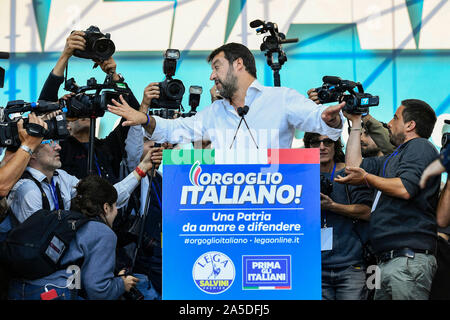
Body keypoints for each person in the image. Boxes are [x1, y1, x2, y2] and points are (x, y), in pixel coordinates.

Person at [107, 43, 346, 149]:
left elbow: (321, 120)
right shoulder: (214, 113)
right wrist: (145, 119)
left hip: (275, 215)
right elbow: (174, 129)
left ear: (238, 64)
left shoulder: (281, 99)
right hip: (226, 217)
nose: (212, 77)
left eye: (217, 67)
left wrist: (332, 119)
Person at [335, 99, 441, 300]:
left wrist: (366, 178)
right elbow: (354, 165)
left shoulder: (420, 147)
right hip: (388, 260)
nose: (389, 124)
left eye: (395, 117)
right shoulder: (393, 157)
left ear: (410, 125)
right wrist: (356, 123)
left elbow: (405, 189)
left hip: (407, 258)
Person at [7, 175, 139, 300]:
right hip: (54, 292)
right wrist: (122, 284)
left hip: (17, 288)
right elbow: (98, 291)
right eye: (115, 205)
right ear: (106, 207)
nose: (116, 211)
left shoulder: (63, 219)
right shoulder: (103, 232)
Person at [38, 30, 143, 183]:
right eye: (78, 105)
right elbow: (43, 106)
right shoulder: (60, 149)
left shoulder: (108, 147)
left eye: (88, 102)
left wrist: (114, 75)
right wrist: (65, 56)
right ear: (66, 123)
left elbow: (135, 115)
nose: (84, 111)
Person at [7, 139, 162, 225]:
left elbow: (106, 197)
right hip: (37, 276)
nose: (58, 147)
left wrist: (142, 168)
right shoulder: (26, 188)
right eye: (49, 142)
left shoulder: (61, 177)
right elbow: (35, 241)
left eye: (56, 141)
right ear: (31, 153)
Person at [304, 132, 372, 300]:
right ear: (308, 145)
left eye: (327, 142)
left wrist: (332, 206)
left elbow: (367, 212)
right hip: (313, 267)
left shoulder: (349, 172)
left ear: (336, 144)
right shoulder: (299, 175)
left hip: (350, 266)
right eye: (315, 142)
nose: (322, 147)